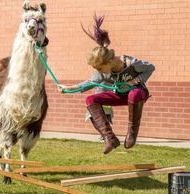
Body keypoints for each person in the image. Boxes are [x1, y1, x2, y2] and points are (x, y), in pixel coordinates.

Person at [58, 15, 155, 154]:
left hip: (138, 94)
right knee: (91, 99)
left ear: (109, 62)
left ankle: (132, 133)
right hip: (120, 95)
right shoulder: (104, 70)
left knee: (134, 93)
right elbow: (91, 82)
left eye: (99, 69)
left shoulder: (131, 63)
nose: (99, 72)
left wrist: (136, 80)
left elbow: (151, 67)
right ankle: (109, 138)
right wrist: (69, 88)